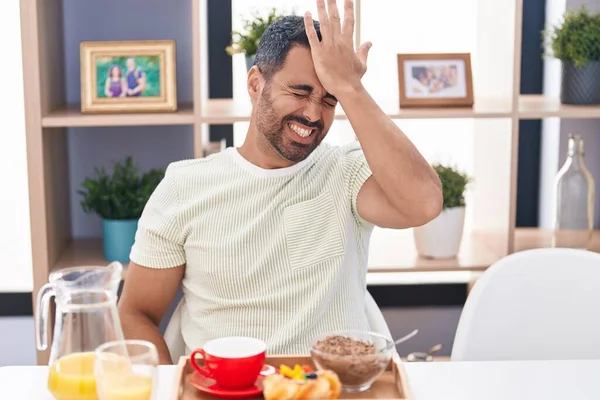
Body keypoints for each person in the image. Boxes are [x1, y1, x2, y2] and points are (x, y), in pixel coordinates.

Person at [118, 0, 442, 365]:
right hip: (226, 389)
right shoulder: (184, 187)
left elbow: (424, 204)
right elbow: (136, 313)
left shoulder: (346, 172)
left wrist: (351, 89)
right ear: (256, 84)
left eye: (329, 100)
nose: (313, 114)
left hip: (333, 388)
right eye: (300, 92)